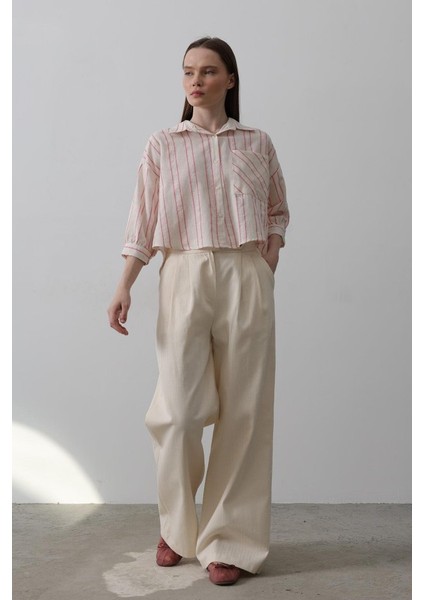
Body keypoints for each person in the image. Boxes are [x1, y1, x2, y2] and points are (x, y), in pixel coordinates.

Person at [107, 36, 290, 587]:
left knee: (245, 412)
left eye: (208, 71)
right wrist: (125, 284)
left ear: (230, 80)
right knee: (179, 412)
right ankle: (176, 525)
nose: (196, 80)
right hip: (183, 272)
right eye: (188, 71)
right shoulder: (163, 144)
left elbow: (277, 209)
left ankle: (230, 541)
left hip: (245, 274)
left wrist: (269, 253)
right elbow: (142, 221)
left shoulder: (256, 142)